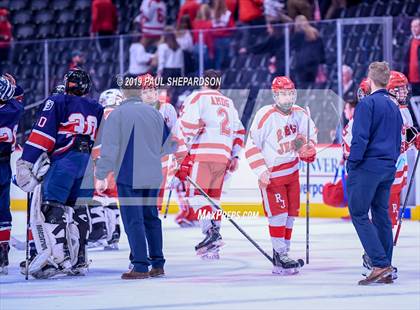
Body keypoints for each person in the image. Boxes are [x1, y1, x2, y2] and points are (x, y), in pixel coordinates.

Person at [16, 69, 104, 279]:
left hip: (65, 161)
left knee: (51, 208)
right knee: (79, 209)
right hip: (87, 164)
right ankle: (80, 259)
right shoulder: (97, 107)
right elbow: (101, 141)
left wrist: (26, 159)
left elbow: (42, 134)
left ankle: (59, 259)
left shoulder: (57, 101)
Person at [94, 75, 172, 280]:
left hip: (129, 174)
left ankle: (139, 265)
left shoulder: (117, 115)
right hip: (153, 174)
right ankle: (158, 264)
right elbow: (167, 146)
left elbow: (109, 149)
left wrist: (101, 174)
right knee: (151, 218)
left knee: (133, 220)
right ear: (139, 92)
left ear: (123, 93)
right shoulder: (155, 114)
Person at [245, 76, 317, 275]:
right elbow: (251, 145)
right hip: (273, 175)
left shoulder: (300, 113)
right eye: (283, 94)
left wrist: (307, 148)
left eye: (290, 93)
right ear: (275, 95)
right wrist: (261, 170)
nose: (288, 98)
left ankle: (283, 255)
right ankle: (279, 254)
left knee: (291, 215)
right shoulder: (265, 115)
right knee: (279, 214)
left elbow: (310, 135)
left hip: (292, 172)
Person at [177, 70, 245, 259]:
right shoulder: (229, 103)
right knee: (213, 200)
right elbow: (240, 131)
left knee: (197, 196)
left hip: (203, 153)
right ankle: (213, 247)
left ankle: (210, 233)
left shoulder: (197, 96)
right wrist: (235, 156)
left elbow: (186, 126)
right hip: (223, 156)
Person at [346, 62, 403, 285]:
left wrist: (352, 163)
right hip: (388, 166)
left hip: (368, 166)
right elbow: (398, 140)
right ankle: (386, 264)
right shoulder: (394, 106)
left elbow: (360, 138)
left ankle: (379, 264)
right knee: (381, 215)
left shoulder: (367, 104)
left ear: (369, 80)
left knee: (359, 213)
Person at [88, 89, 124, 250]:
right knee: (110, 196)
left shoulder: (101, 113)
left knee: (94, 194)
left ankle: (99, 232)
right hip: (121, 162)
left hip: (101, 157)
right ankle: (114, 234)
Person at [0, 74, 23, 275]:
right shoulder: (15, 110)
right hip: (4, 165)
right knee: (3, 209)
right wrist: (12, 86)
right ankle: (3, 250)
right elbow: (16, 97)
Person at [291, 15, 325, 88]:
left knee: (303, 86)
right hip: (314, 63)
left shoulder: (298, 35)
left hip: (302, 64)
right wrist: (321, 62)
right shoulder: (315, 32)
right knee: (313, 85)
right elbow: (321, 48)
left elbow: (294, 47)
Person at [211, 0, 235, 70]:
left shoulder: (211, 14)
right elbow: (232, 28)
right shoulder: (228, 14)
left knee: (218, 59)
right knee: (226, 59)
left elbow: (210, 28)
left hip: (215, 40)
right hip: (225, 39)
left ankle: (217, 77)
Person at [192, 4, 215, 70]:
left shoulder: (195, 23)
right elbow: (209, 39)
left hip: (196, 47)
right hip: (205, 48)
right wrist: (211, 52)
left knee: (198, 69)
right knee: (206, 70)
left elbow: (194, 38)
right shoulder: (209, 24)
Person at [403, 18, 420, 96]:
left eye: (415, 26)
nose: (413, 29)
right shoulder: (410, 41)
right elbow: (406, 60)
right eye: (412, 27)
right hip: (412, 80)